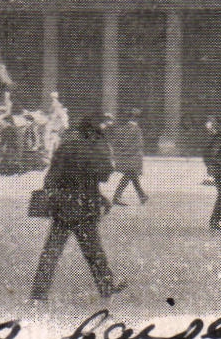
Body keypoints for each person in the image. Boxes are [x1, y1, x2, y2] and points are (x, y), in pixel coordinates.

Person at [29, 114, 126, 303]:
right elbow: (105, 175)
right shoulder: (95, 149)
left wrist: (56, 194)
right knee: (93, 250)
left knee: (52, 250)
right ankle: (107, 287)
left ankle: (38, 294)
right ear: (92, 132)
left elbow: (50, 177)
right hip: (86, 205)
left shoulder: (66, 147)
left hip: (63, 205)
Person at [108, 111, 149, 206]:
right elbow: (139, 143)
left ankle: (142, 195)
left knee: (132, 174)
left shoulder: (119, 129)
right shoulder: (135, 128)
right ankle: (117, 197)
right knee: (130, 174)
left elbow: (116, 143)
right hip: (132, 156)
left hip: (124, 156)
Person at [45, 92, 70, 156]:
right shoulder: (57, 107)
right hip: (55, 127)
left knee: (55, 142)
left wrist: (62, 128)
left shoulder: (59, 109)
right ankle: (49, 154)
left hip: (57, 128)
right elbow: (52, 115)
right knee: (52, 141)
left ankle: (51, 154)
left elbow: (64, 121)